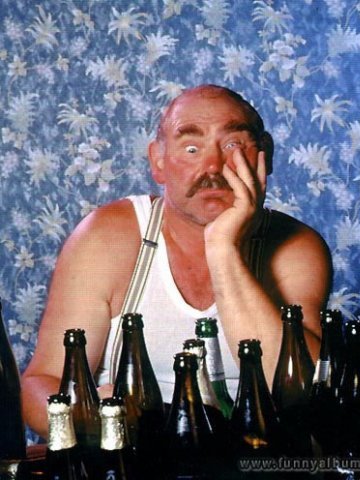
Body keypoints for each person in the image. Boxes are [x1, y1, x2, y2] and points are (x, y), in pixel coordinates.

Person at [21, 84, 332, 439]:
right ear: (158, 161)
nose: (213, 166)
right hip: (131, 454)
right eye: (191, 148)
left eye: (233, 145)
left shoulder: (296, 247)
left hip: (252, 455)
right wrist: (92, 418)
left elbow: (308, 396)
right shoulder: (106, 238)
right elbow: (40, 383)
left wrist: (222, 247)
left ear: (265, 155)